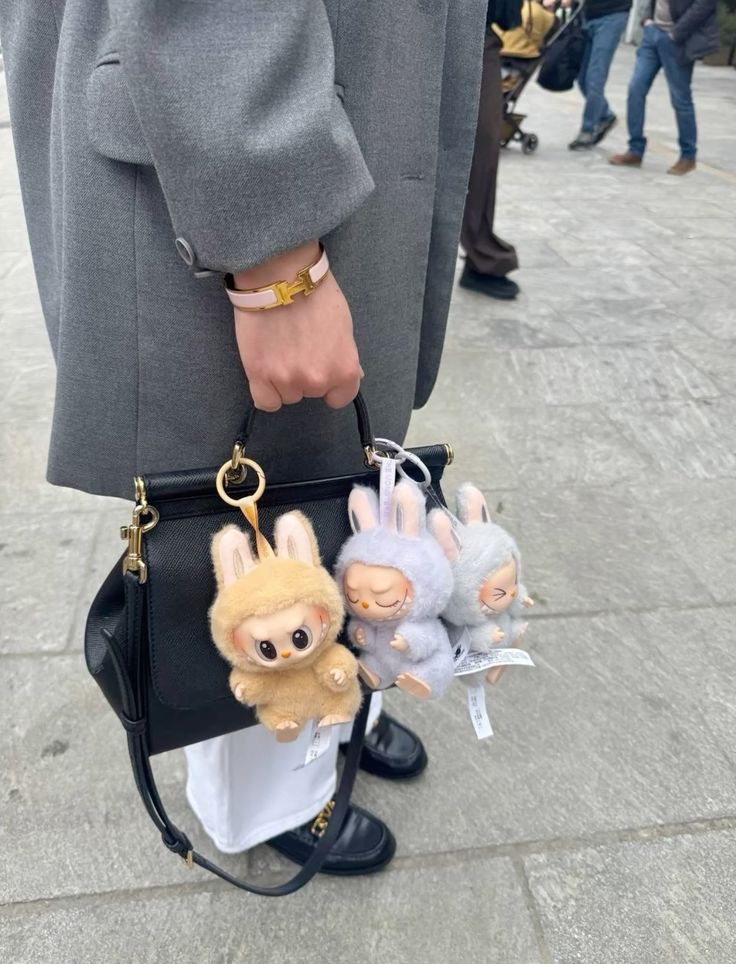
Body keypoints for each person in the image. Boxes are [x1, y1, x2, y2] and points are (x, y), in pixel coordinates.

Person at [0, 0, 487, 876]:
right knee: (240, 523)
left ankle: (339, 702)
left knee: (323, 484)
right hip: (230, 131)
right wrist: (274, 257)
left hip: (321, 101)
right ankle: (268, 799)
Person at [609, 0, 719, 174]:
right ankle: (635, 150)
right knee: (635, 89)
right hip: (652, 34)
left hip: (677, 39)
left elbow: (705, 4)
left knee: (680, 99)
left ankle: (688, 155)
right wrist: (646, 19)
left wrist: (676, 33)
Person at [460, 0, 523, 302]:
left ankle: (482, 256)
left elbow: (508, 16)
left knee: (481, 151)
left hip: (473, 30)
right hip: (409, 28)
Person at [565, 0, 633, 150]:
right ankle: (605, 115)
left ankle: (587, 130)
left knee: (595, 78)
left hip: (612, 16)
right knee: (583, 79)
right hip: (589, 17)